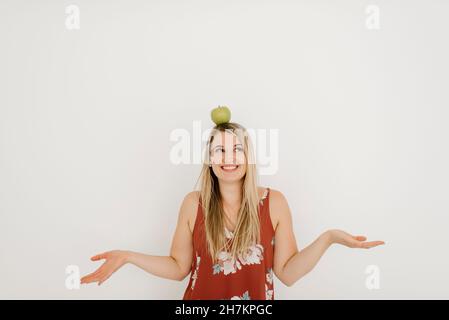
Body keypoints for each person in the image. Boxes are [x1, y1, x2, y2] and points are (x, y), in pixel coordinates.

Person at [80, 107, 385, 299]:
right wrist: (129, 256)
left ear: (248, 157)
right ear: (209, 160)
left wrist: (329, 238)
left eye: (236, 150)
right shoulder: (192, 204)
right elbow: (178, 267)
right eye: (220, 151)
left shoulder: (274, 203)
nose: (228, 159)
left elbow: (288, 275)